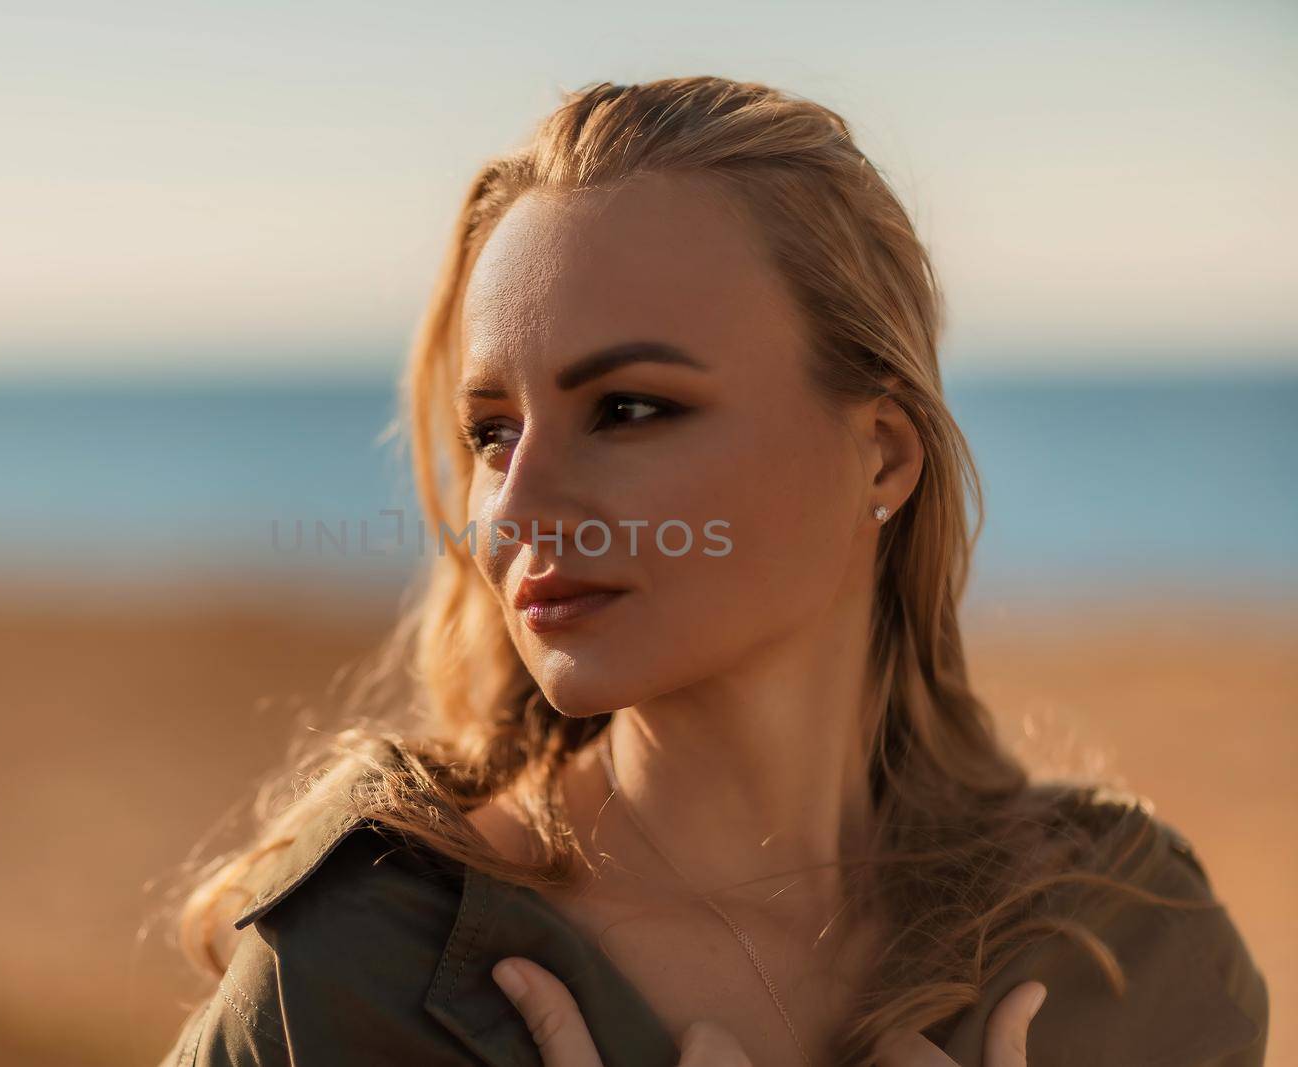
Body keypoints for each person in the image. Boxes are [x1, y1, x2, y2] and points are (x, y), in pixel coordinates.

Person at [156, 76, 1268, 1066]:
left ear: (878, 452)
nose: (521, 503)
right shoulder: (361, 969)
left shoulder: (1128, 948)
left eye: (630, 408)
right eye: (493, 431)